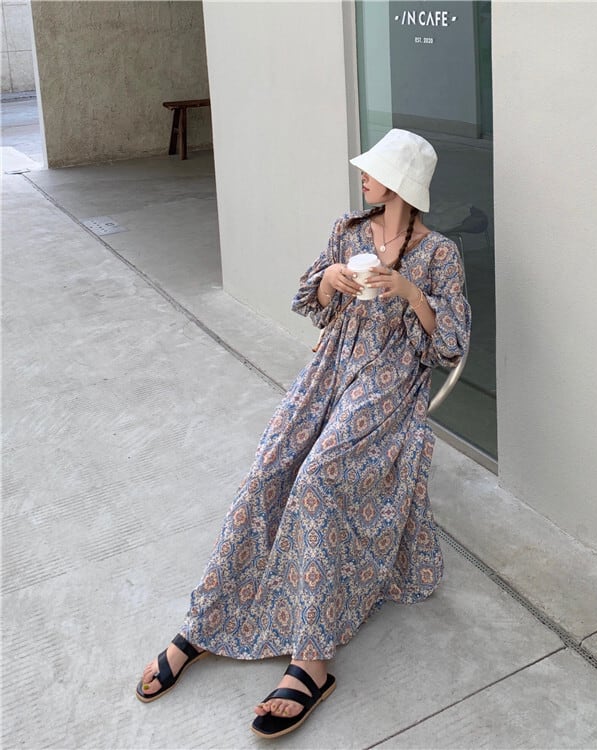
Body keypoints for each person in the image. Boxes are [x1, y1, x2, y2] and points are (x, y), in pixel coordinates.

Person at [135, 128, 471, 739]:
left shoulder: (440, 254)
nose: (363, 176)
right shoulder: (347, 231)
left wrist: (408, 291)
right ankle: (206, 621)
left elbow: (449, 344)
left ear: (400, 183)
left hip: (388, 382)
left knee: (316, 479)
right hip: (330, 369)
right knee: (269, 468)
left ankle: (311, 659)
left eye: (374, 170)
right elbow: (310, 300)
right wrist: (331, 279)